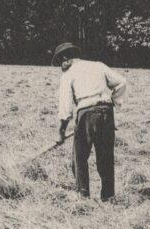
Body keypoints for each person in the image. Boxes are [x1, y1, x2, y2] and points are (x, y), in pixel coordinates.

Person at [54, 42, 127, 201]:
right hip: (107, 112)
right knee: (105, 157)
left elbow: (65, 108)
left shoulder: (68, 75)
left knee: (79, 157)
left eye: (60, 62)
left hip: (86, 113)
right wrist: (113, 101)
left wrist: (60, 132)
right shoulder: (99, 66)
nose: (61, 66)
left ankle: (83, 195)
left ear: (66, 58)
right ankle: (108, 197)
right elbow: (122, 81)